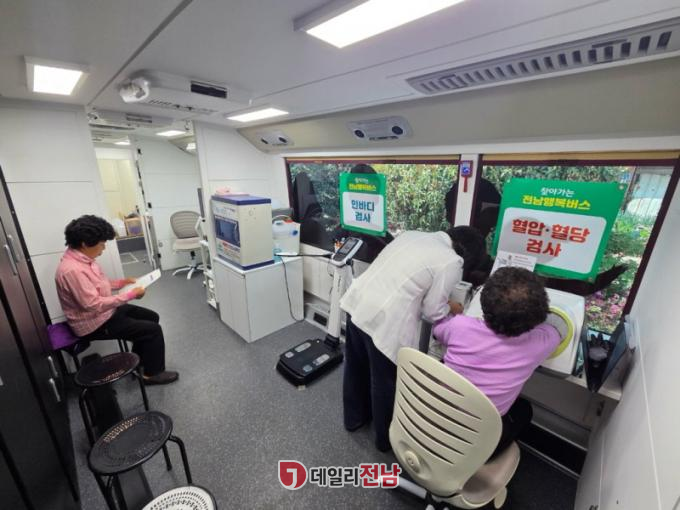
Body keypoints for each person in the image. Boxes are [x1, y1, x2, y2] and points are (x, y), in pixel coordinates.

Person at [340, 226, 487, 451]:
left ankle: (353, 420)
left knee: (355, 366)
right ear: (467, 254)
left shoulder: (413, 235)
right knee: (384, 381)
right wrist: (452, 307)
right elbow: (432, 311)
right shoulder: (451, 261)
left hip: (358, 301)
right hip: (384, 320)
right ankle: (384, 440)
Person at [433, 267, 561, 457]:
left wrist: (454, 312)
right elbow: (556, 331)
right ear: (538, 317)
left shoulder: (459, 325)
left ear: (483, 301)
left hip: (436, 420)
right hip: (475, 446)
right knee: (524, 409)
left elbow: (438, 330)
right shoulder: (540, 343)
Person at [55, 215, 178, 385]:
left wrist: (122, 283)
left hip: (105, 312)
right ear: (85, 244)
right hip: (95, 323)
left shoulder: (84, 260)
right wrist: (130, 295)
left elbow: (98, 285)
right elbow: (92, 305)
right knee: (153, 330)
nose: (104, 247)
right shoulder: (72, 270)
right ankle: (152, 374)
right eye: (102, 243)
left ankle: (139, 362)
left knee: (151, 317)